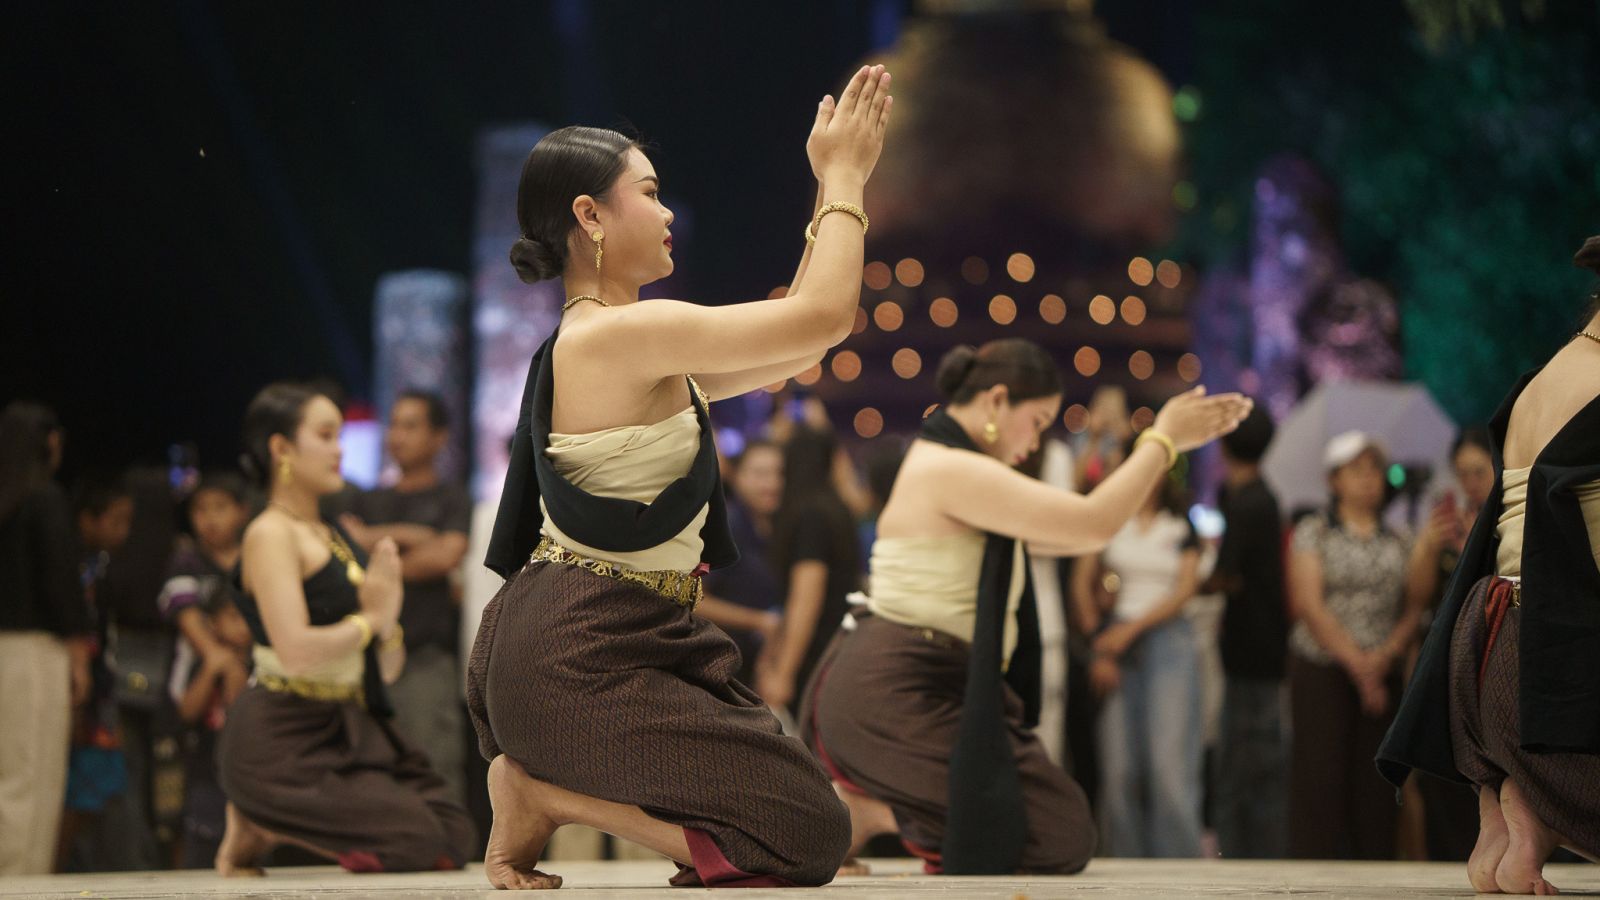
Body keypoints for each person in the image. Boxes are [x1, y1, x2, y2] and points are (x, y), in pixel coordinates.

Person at [466, 65, 892, 889]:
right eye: (651, 193)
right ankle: (542, 795)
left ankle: (545, 793)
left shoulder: (635, 347)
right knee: (807, 838)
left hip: (625, 633)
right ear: (590, 216)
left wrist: (831, 186)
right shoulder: (613, 337)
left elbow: (804, 342)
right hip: (577, 650)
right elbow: (825, 315)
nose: (667, 214)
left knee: (810, 827)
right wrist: (844, 176)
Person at [800, 338, 1252, 876]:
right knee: (1043, 835)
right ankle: (865, 813)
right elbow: (1093, 524)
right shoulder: (950, 468)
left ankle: (866, 812)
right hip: (893, 684)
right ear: (996, 401)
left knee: (1063, 832)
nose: (1036, 441)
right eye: (1036, 422)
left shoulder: (957, 464)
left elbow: (1074, 533)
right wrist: (1163, 440)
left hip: (940, 679)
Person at [1380, 237, 1600, 894]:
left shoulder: (1544, 378)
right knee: (1548, 759)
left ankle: (1509, 828)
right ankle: (1522, 820)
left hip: (1483, 634)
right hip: (1548, 645)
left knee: (1515, 772)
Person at [214, 383, 475, 876]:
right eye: (325, 435)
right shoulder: (269, 533)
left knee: (453, 833)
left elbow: (386, 668)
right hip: (283, 730)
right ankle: (261, 824)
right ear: (281, 448)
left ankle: (263, 827)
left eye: (338, 436)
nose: (339, 449)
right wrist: (370, 620)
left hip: (345, 719)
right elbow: (294, 651)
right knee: (418, 841)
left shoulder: (332, 535)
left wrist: (387, 622)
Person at [1287, 431, 1424, 860]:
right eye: (1356, 470)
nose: (1368, 479)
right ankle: (1313, 875)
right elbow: (1309, 605)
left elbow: (1414, 606)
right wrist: (1359, 666)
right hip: (1323, 667)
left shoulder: (1400, 537)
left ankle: (1376, 871)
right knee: (1321, 779)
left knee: (1376, 786)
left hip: (1384, 669)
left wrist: (1384, 657)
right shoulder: (1313, 531)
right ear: (1334, 480)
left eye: (1374, 469)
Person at [340, 390, 473, 807]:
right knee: (371, 778)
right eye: (394, 424)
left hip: (425, 659)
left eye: (411, 425)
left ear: (439, 437)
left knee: (435, 773)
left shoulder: (451, 497)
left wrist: (373, 542)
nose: (397, 435)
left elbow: (447, 555)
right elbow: (351, 563)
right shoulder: (366, 499)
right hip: (367, 661)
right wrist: (418, 537)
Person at [1074, 452, 1204, 858]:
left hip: (1167, 638)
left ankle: (1180, 870)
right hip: (1113, 643)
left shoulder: (1180, 523)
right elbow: (1081, 585)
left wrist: (1130, 631)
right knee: (1118, 769)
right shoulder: (1109, 519)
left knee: (1169, 766)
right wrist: (1100, 642)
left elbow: (1186, 590)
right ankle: (1125, 868)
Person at [0, 402, 92, 875]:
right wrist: (79, 652)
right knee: (32, 773)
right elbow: (61, 584)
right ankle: (20, 884)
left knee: (8, 771)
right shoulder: (43, 498)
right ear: (48, 441)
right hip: (32, 651)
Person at [1402, 427, 1493, 862]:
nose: (1470, 482)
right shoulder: (1449, 520)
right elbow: (1417, 599)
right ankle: (1444, 859)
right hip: (1447, 656)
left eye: (1479, 471)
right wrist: (1426, 546)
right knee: (1443, 765)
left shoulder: (1508, 520)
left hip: (1490, 656)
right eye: (1462, 473)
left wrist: (1474, 545)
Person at [1204, 405, 1289, 860]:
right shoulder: (1264, 497)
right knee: (1262, 766)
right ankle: (1261, 856)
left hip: (1246, 653)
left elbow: (1224, 575)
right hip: (1268, 648)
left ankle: (1239, 859)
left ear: (1224, 445)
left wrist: (1192, 583)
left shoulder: (1244, 502)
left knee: (1241, 768)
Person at [759, 426, 861, 715]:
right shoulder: (835, 508)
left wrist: (784, 672)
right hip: (839, 645)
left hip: (816, 652)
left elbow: (807, 597)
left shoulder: (810, 515)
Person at [697, 440, 785, 685]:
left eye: (779, 473)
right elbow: (694, 598)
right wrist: (759, 621)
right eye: (760, 474)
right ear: (737, 476)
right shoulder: (726, 525)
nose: (772, 484)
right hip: (720, 663)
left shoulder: (776, 526)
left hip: (754, 662)